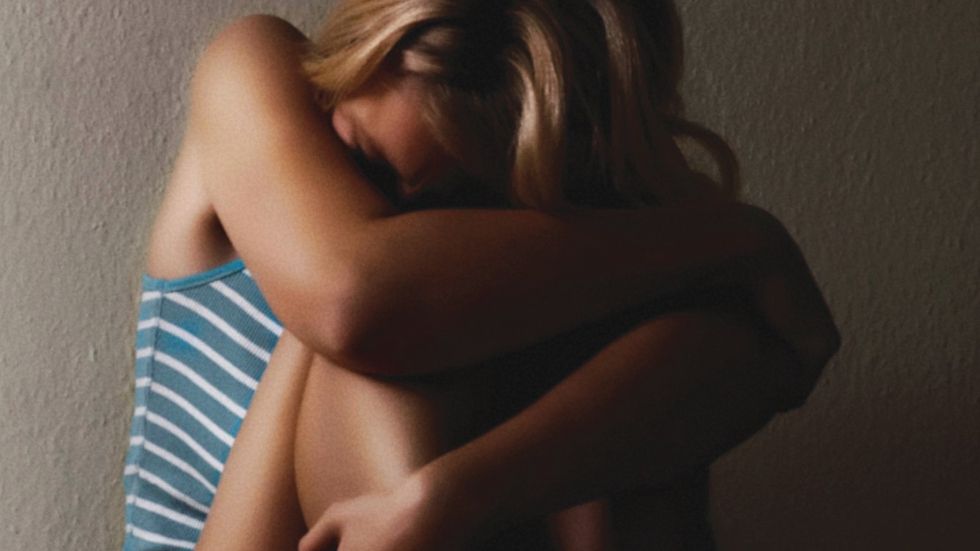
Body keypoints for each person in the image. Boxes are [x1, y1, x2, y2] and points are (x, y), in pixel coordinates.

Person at [123, 1, 839, 549]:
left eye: (455, 208)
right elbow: (356, 303)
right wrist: (735, 238)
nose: (410, 225)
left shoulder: (595, 236)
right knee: (382, 335)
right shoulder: (257, 70)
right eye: (363, 161)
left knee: (642, 374)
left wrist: (452, 496)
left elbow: (764, 358)